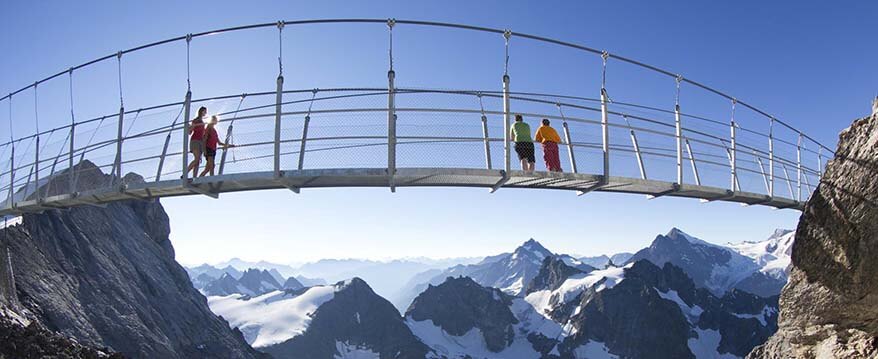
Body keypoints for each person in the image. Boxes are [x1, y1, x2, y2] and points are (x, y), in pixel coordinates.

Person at [185, 106, 208, 179]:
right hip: (195, 141)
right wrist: (188, 127)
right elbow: (190, 131)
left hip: (200, 142)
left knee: (198, 161)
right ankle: (185, 173)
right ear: (201, 111)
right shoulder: (196, 120)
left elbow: (203, 133)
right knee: (197, 159)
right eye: (205, 111)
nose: (206, 113)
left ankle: (194, 177)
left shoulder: (202, 122)